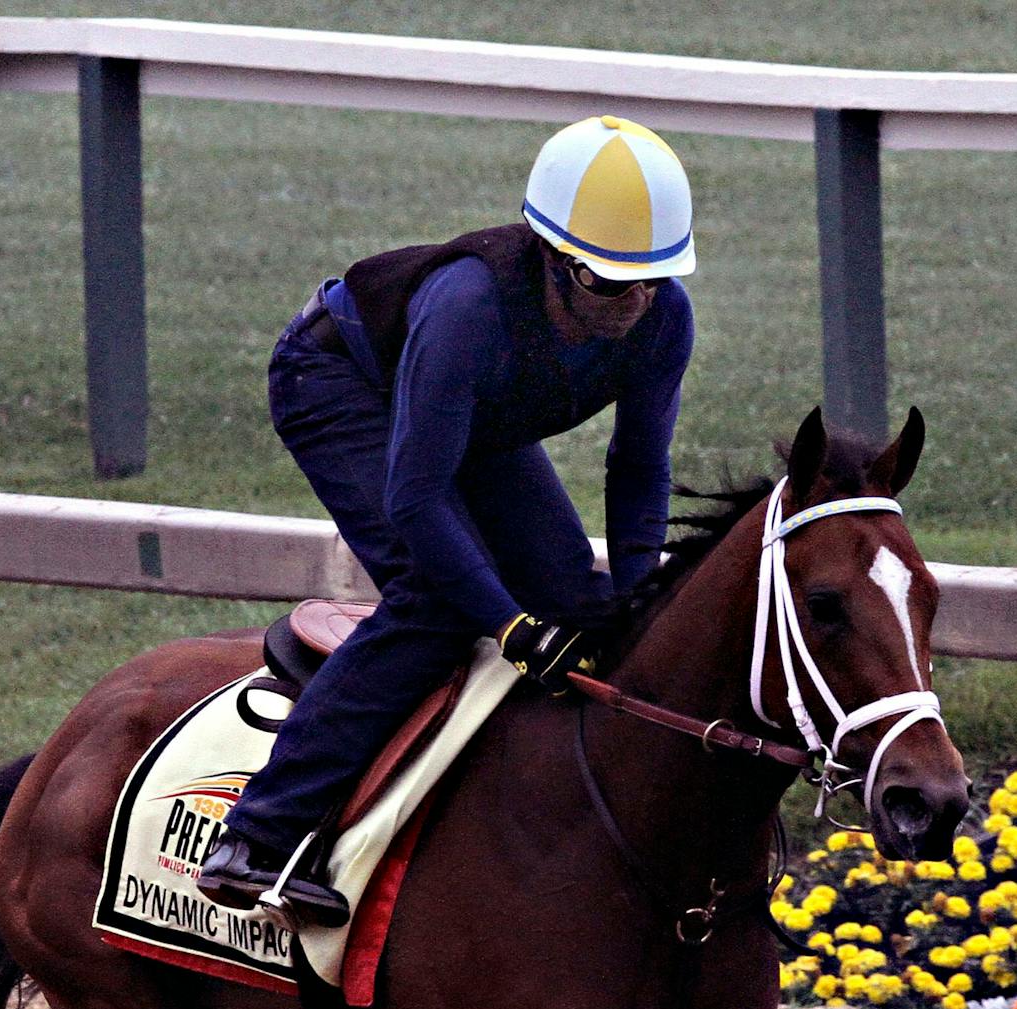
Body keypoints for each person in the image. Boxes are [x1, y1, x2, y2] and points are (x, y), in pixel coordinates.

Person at [196, 114, 698, 927]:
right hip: (339, 381)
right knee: (436, 600)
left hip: (476, 414)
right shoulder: (469, 307)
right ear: (555, 258)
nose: (634, 303)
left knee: (579, 601)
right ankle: (259, 834)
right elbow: (417, 500)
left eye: (655, 278)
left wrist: (637, 607)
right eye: (610, 282)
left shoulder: (662, 320)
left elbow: (639, 471)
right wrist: (506, 624)